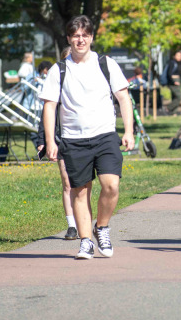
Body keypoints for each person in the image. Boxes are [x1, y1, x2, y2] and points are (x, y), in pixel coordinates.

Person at [41, 15, 136, 260]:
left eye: (84, 35)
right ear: (69, 39)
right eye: (75, 35)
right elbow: (50, 106)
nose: (80, 40)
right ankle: (85, 242)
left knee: (111, 185)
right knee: (79, 192)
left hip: (105, 135)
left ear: (91, 37)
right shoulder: (59, 69)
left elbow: (123, 98)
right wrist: (51, 141)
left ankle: (101, 227)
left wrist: (129, 131)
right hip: (73, 139)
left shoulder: (106, 64)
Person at [33, 56, 86, 241]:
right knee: (67, 182)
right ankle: (72, 225)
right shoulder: (57, 84)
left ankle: (84, 222)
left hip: (83, 139)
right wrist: (43, 140)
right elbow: (46, 115)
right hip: (61, 140)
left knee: (83, 185)